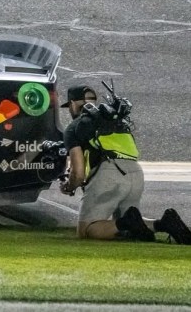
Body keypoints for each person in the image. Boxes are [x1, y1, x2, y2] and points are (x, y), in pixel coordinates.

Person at [60, 84, 191, 244]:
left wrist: (69, 186)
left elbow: (78, 173)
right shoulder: (114, 119)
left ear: (72, 103)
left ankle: (128, 222)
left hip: (108, 175)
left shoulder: (73, 128)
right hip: (135, 173)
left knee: (86, 229)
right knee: (128, 221)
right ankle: (164, 223)